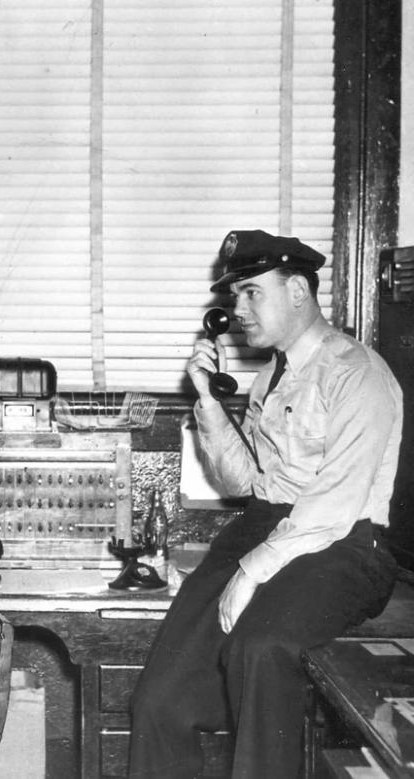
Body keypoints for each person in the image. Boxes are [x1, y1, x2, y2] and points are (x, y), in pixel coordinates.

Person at [128, 229, 403, 779]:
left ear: (298, 290)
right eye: (235, 297)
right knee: (158, 700)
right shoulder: (266, 381)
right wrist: (206, 399)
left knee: (263, 648)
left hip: (343, 544)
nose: (238, 309)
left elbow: (335, 501)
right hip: (264, 529)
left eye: (252, 293)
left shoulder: (357, 374)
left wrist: (253, 572)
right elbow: (244, 482)